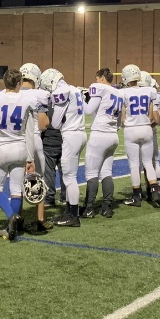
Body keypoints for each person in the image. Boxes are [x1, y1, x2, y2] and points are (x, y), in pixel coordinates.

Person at [0, 68, 37, 239]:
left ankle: (11, 216)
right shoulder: (26, 99)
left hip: (2, 148)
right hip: (20, 147)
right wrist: (30, 157)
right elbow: (29, 132)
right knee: (15, 190)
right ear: (19, 83)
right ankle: (10, 228)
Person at [46, 68, 88, 227]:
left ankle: (73, 216)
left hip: (71, 135)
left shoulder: (62, 90)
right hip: (81, 133)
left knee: (69, 178)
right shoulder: (74, 89)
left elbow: (55, 123)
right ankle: (69, 212)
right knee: (71, 177)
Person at [120, 64, 160, 207]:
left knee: (134, 164)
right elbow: (152, 114)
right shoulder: (149, 90)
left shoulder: (123, 93)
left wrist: (124, 123)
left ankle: (136, 196)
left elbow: (123, 115)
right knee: (148, 163)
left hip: (131, 129)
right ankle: (155, 191)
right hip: (146, 128)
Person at [81, 68, 123, 217]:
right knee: (106, 172)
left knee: (92, 172)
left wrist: (80, 98)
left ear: (102, 78)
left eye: (97, 78)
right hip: (113, 136)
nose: (96, 81)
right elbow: (119, 122)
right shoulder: (118, 92)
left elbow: (87, 110)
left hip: (99, 134)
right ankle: (107, 207)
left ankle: (89, 208)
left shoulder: (99, 87)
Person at [19, 63, 53, 232]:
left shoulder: (12, 93)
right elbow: (43, 124)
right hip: (35, 141)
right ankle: (40, 219)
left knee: (16, 183)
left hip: (15, 142)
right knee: (39, 180)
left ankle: (16, 218)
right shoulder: (39, 94)